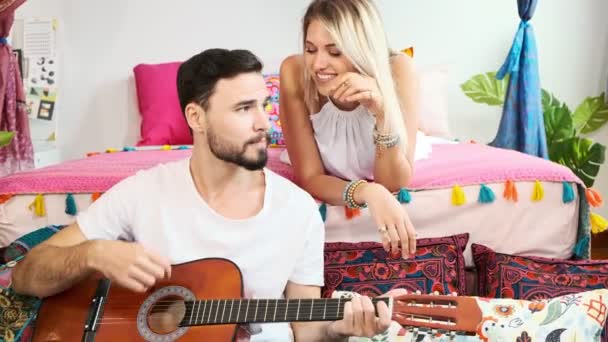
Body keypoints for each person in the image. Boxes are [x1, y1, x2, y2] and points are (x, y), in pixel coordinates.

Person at [10, 48, 398, 341]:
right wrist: (93, 253)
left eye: (264, 106)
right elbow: (26, 276)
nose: (264, 123)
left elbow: (307, 330)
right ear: (196, 118)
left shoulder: (297, 210)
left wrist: (341, 329)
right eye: (245, 108)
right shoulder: (142, 192)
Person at [279, 0, 420, 258]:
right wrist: (368, 191)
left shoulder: (399, 69)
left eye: (335, 52)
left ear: (362, 49)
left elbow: (393, 181)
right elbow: (310, 177)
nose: (318, 64)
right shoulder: (294, 72)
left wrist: (382, 112)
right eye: (311, 49)